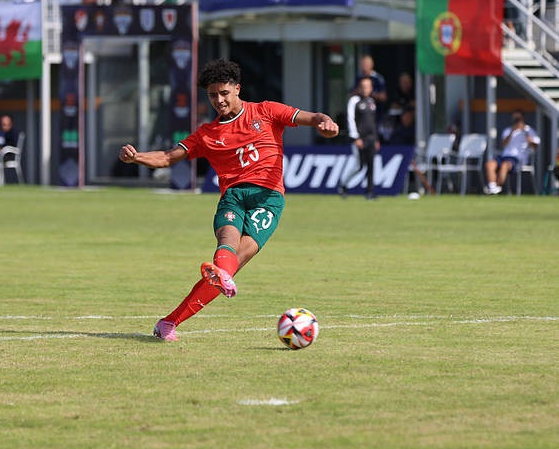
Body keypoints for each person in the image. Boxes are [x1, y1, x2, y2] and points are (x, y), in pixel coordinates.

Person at [118, 58, 339, 341]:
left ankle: (169, 322)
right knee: (227, 247)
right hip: (233, 196)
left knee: (231, 265)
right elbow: (166, 157)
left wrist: (326, 123)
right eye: (212, 95)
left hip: (268, 199)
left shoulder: (267, 111)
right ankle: (216, 275)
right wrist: (136, 157)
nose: (219, 100)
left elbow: (313, 117)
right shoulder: (207, 135)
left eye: (224, 93)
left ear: (237, 89)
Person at [338, 75, 380, 199]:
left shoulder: (372, 102)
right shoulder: (354, 101)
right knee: (359, 166)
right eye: (363, 86)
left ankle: (370, 192)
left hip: (371, 138)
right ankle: (343, 185)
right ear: (359, 88)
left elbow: (373, 123)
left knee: (371, 166)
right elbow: (350, 119)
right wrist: (355, 137)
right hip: (360, 139)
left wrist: (376, 138)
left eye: (368, 86)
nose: (365, 89)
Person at [484, 109, 540, 195]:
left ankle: (496, 189)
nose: (516, 121)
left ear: (522, 118)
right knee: (490, 164)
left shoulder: (529, 130)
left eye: (518, 118)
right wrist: (512, 132)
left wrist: (528, 137)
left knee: (505, 165)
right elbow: (503, 144)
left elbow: (535, 146)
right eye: (515, 119)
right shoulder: (508, 130)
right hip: (504, 156)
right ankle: (492, 187)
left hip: (518, 159)